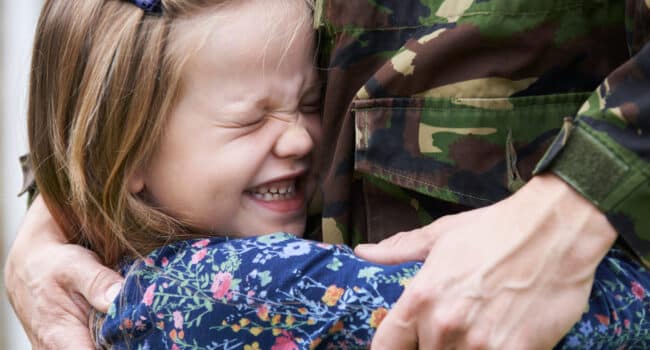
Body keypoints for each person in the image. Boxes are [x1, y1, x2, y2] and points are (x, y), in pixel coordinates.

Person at [5, 0, 650, 349]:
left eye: (310, 104)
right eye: (248, 121)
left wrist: (582, 197)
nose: (303, 137)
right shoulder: (226, 293)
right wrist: (52, 217)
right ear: (130, 151)